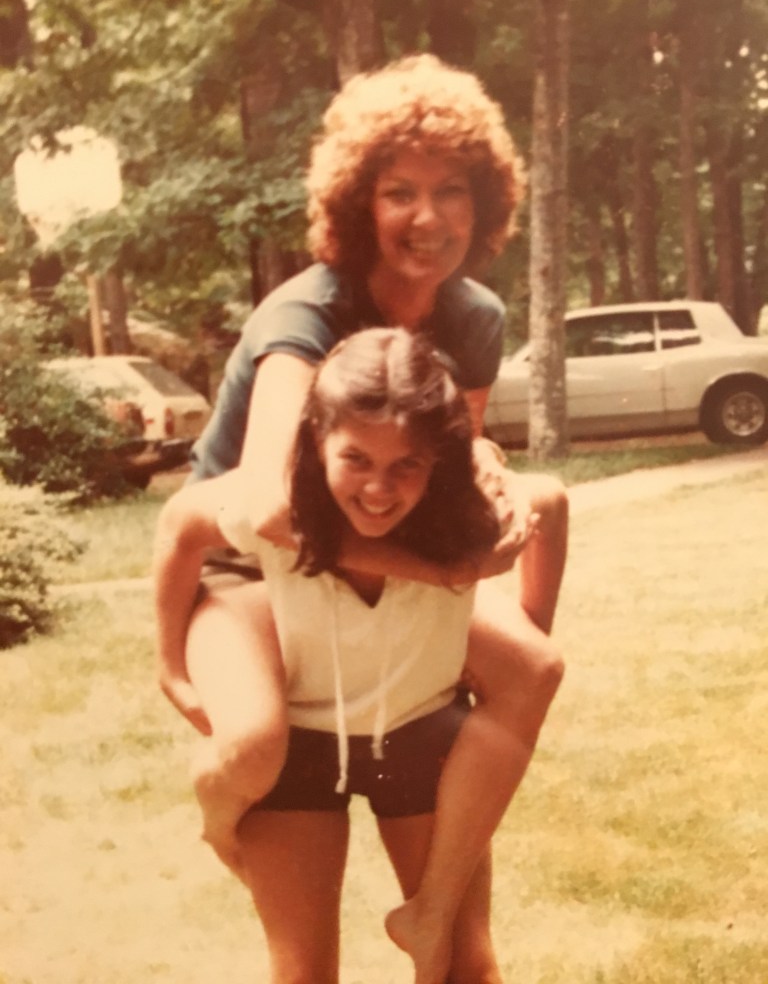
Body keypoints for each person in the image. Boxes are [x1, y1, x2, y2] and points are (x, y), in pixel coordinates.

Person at [155, 54, 568, 983]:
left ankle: (430, 913)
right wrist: (443, 573)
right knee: (260, 757)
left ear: (485, 201)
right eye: (399, 192)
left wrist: (490, 488)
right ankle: (223, 811)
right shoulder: (306, 315)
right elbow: (265, 506)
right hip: (256, 574)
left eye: (452, 191)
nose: (430, 218)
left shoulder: (474, 317)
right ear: (356, 203)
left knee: (531, 667)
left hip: (374, 558)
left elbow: (453, 462)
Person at [157, 328, 513, 981]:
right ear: (318, 439)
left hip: (421, 735)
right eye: (356, 459)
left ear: (437, 458)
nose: (379, 488)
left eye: (406, 464)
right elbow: (182, 523)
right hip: (300, 743)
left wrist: (517, 616)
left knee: (466, 965)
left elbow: (548, 503)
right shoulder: (279, 506)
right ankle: (220, 809)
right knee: (303, 972)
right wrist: (170, 667)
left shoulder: (465, 512)